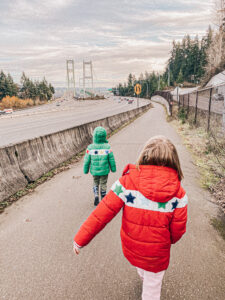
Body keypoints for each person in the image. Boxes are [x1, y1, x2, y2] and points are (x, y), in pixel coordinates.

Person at [74, 136, 188, 300]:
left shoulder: (126, 183)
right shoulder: (180, 194)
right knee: (152, 290)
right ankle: (147, 280)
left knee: (141, 266)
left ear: (144, 156)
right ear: (174, 161)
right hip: (158, 254)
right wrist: (167, 241)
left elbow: (101, 214)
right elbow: (178, 230)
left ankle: (143, 275)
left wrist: (80, 239)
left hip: (132, 246)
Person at [83, 126, 116, 206]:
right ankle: (103, 197)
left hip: (94, 171)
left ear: (94, 136)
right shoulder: (107, 147)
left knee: (95, 182)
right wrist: (113, 168)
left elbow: (86, 160)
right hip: (104, 170)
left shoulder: (90, 148)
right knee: (103, 183)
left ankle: (96, 196)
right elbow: (111, 159)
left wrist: (86, 170)